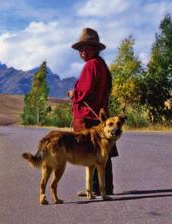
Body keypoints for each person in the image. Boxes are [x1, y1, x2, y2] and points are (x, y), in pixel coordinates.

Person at [68, 27, 118, 196]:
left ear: (94, 49)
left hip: (89, 118)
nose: (82, 51)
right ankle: (105, 187)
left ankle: (95, 188)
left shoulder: (91, 65)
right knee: (103, 152)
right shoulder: (101, 65)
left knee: (90, 153)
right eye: (80, 48)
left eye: (86, 47)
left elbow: (85, 91)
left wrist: (73, 93)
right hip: (100, 116)